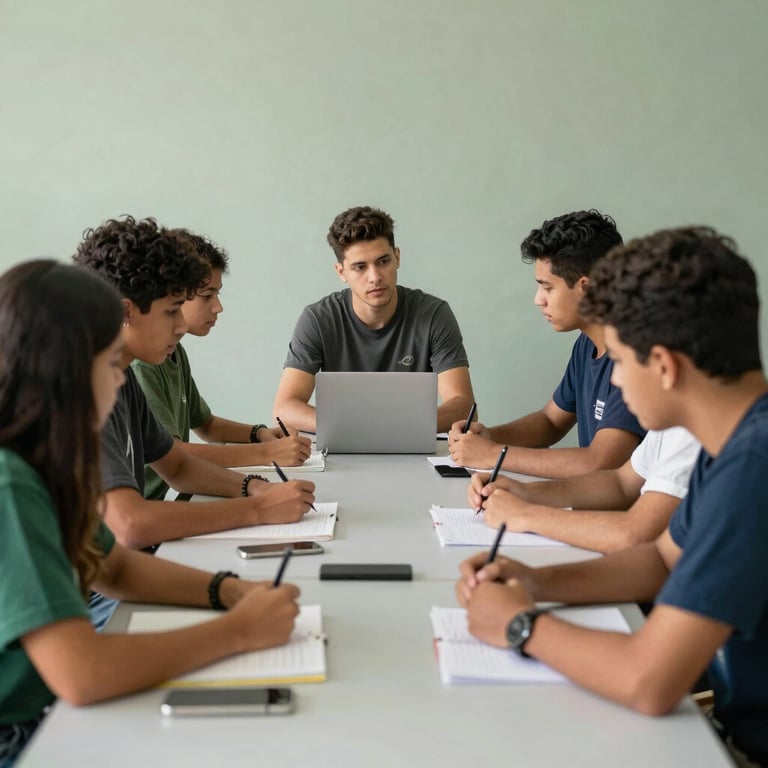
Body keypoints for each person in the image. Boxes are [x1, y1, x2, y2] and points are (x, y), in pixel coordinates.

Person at [455, 227, 768, 767]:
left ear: (666, 366)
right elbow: (662, 560)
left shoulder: (753, 469)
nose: (615, 383)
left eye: (620, 361)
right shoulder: (735, 442)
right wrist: (534, 582)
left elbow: (648, 680)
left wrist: (520, 625)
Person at [0, 261, 301, 767]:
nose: (120, 381)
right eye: (112, 363)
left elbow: (112, 565)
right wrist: (240, 631)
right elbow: (83, 674)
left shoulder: (49, 460)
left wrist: (230, 591)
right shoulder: (10, 481)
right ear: (68, 369)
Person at [448, 210, 644, 477]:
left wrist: (494, 455)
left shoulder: (637, 356)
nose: (538, 299)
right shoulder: (586, 343)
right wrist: (490, 437)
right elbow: (551, 421)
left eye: (548, 287)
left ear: (587, 288)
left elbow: (601, 462)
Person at [131, 230, 312, 501]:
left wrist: (259, 435)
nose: (218, 307)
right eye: (206, 296)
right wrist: (267, 455)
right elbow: (177, 454)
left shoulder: (173, 352)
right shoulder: (141, 365)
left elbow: (204, 426)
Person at [273, 205, 474, 433]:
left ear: (397, 257)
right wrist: (362, 429)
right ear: (341, 272)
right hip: (344, 446)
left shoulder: (434, 314)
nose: (375, 277)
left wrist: (391, 429)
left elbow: (464, 406)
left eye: (383, 261)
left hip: (410, 445)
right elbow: (285, 407)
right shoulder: (318, 319)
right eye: (360, 267)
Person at [468, 427, 700, 553]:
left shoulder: (694, 437)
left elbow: (635, 535)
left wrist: (525, 515)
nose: (615, 380)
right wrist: (527, 493)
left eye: (620, 363)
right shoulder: (670, 427)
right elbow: (621, 482)